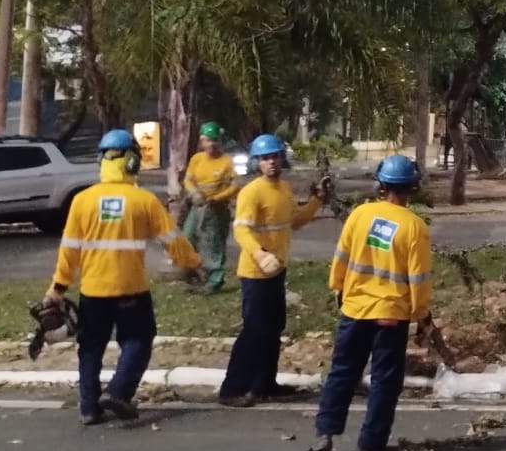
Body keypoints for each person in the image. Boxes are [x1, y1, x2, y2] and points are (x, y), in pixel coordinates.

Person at [41, 129, 202, 425]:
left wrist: (58, 288)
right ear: (131, 162)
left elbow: (69, 251)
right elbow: (173, 240)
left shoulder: (82, 201)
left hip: (93, 291)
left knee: (90, 348)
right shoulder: (144, 201)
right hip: (131, 290)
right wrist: (192, 263)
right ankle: (118, 391)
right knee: (138, 340)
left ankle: (89, 408)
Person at [310, 154, 432, 451]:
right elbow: (418, 279)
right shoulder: (414, 227)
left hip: (354, 308)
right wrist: (420, 315)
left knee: (342, 372)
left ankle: (325, 434)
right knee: (384, 380)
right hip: (390, 314)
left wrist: (337, 286)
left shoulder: (359, 215)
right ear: (412, 187)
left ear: (381, 184)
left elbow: (341, 257)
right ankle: (369, 446)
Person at [219, 134, 323, 406]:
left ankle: (265, 384)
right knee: (253, 331)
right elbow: (241, 229)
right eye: (265, 158)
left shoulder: (284, 190)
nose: (271, 162)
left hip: (277, 271)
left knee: (273, 328)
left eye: (275, 156)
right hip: (255, 273)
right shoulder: (251, 192)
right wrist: (259, 254)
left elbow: (293, 222)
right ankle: (232, 389)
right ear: (257, 162)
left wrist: (316, 201)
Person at [183, 121, 237, 292]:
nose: (212, 144)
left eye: (215, 140)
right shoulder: (197, 159)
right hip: (198, 207)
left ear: (220, 141)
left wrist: (217, 198)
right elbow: (188, 179)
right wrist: (193, 193)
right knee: (187, 238)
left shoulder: (227, 162)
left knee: (214, 245)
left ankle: (215, 281)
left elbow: (235, 185)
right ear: (202, 141)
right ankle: (195, 275)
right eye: (208, 140)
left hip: (217, 210)